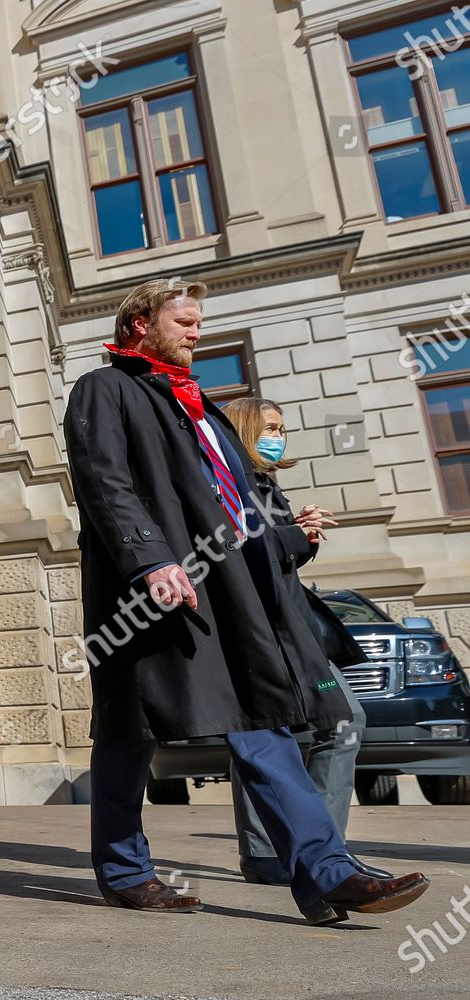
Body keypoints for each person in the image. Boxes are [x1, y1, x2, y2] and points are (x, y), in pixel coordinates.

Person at [64, 277, 430, 925]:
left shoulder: (198, 405)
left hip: (229, 594)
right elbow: (104, 480)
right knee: (130, 731)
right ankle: (124, 871)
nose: (197, 331)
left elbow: (239, 505)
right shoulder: (106, 388)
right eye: (183, 320)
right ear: (139, 325)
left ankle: (326, 872)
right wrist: (149, 558)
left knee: (261, 724)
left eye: (199, 321)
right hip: (149, 596)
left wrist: (286, 549)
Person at [220, 397, 394, 894]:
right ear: (246, 429)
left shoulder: (266, 484)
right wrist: (296, 535)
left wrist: (305, 536)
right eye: (270, 427)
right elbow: (240, 554)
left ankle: (320, 854)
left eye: (282, 429)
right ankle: (283, 853)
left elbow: (277, 558)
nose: (279, 437)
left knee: (338, 722)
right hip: (261, 629)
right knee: (269, 730)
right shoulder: (228, 484)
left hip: (290, 625)